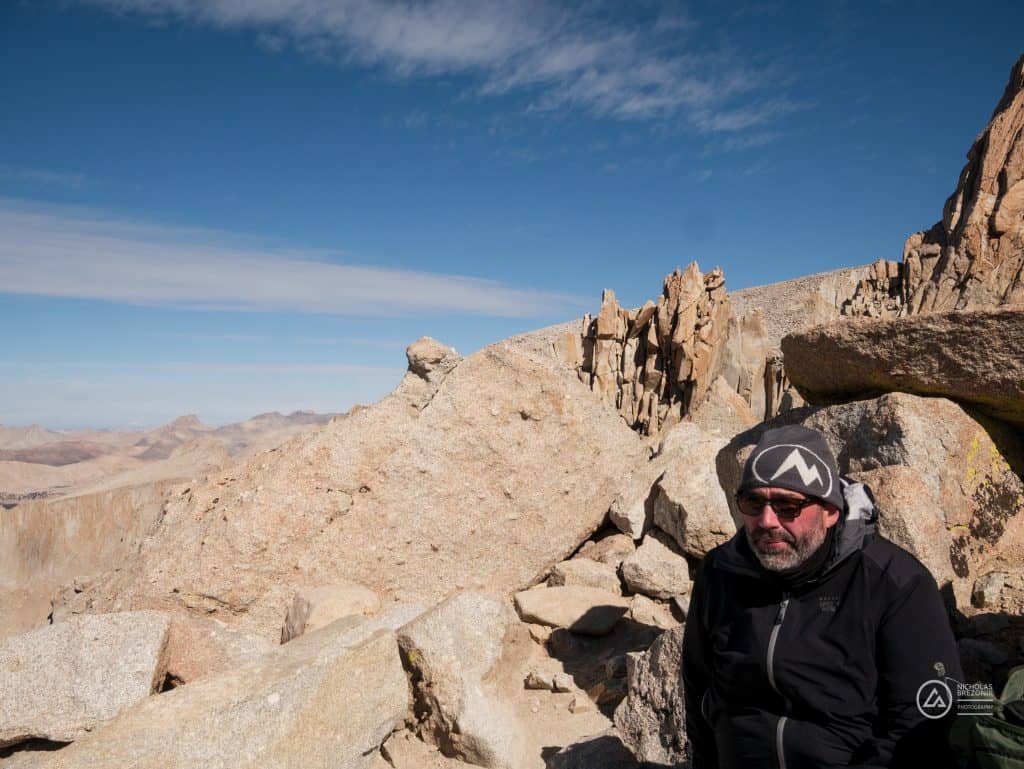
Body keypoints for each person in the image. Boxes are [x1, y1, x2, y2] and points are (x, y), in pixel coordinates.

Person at [682, 424, 963, 769]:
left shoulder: (894, 584)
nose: (767, 520)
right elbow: (698, 689)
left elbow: (924, 721)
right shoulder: (721, 572)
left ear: (830, 511)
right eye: (753, 502)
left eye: (787, 505)